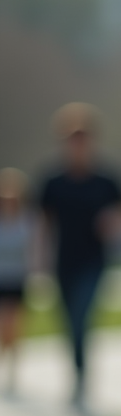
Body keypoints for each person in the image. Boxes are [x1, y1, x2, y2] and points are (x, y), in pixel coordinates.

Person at [38, 103, 121, 410]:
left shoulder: (105, 181)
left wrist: (115, 222)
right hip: (63, 261)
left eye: (83, 138)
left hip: (94, 262)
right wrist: (37, 258)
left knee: (82, 316)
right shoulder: (53, 182)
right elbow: (40, 222)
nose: (78, 144)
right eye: (72, 138)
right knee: (68, 322)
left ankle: (81, 378)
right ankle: (77, 372)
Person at [0, 168, 37, 396]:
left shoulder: (28, 220)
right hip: (0, 279)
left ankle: (13, 369)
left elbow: (36, 248)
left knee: (14, 325)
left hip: (19, 279)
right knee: (3, 325)